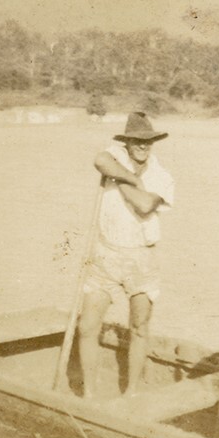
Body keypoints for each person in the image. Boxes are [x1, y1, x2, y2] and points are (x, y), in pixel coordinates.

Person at [75, 111, 175, 399]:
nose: (142, 146)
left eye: (148, 142)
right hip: (105, 253)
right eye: (136, 141)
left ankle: (131, 393)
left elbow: (144, 205)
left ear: (154, 143)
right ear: (127, 142)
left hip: (141, 258)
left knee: (139, 326)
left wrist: (118, 180)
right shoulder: (113, 158)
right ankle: (89, 394)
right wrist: (130, 177)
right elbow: (100, 160)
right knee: (88, 325)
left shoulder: (163, 176)